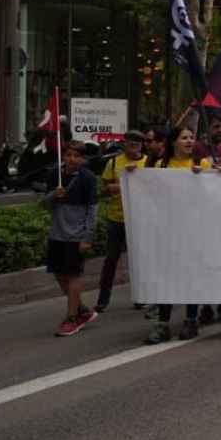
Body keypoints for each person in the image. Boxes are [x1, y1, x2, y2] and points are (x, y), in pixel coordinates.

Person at [145, 127, 213, 343]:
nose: (189, 141)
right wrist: (131, 175)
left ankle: (191, 320)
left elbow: (216, 190)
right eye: (184, 137)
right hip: (168, 231)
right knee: (167, 277)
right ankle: (162, 324)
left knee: (190, 275)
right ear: (173, 142)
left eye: (192, 137)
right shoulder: (159, 166)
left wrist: (215, 174)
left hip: (194, 230)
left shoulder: (202, 165)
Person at [45, 144, 100, 337]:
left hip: (76, 236)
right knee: (59, 274)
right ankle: (82, 309)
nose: (72, 159)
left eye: (77, 156)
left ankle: (71, 318)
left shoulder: (88, 179)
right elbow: (43, 205)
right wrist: (54, 195)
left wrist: (87, 236)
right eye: (68, 155)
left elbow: (93, 210)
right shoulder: (55, 175)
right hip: (56, 234)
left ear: (83, 159)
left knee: (73, 275)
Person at [95, 130, 149, 313]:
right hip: (116, 218)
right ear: (124, 143)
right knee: (111, 259)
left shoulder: (148, 163)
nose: (134, 146)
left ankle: (141, 297)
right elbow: (102, 189)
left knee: (140, 261)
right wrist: (111, 188)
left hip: (140, 220)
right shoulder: (113, 163)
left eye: (138, 143)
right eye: (131, 142)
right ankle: (102, 300)